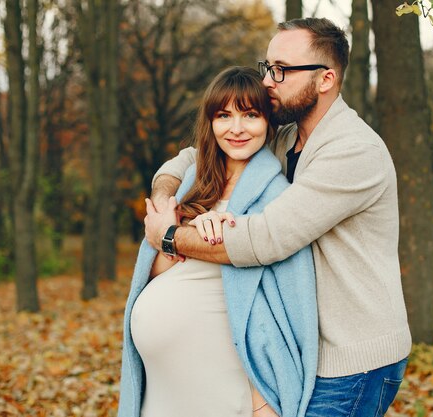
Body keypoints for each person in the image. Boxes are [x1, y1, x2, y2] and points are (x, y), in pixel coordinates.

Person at [144, 17, 412, 417]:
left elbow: (266, 238)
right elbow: (193, 158)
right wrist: (165, 196)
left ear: (325, 80)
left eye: (281, 70)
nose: (268, 81)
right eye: (266, 67)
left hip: (350, 361)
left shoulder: (354, 151)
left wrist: (169, 237)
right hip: (304, 349)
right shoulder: (285, 138)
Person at [118, 66, 318, 417]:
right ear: (210, 123)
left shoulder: (277, 199)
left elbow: (284, 306)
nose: (236, 128)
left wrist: (262, 400)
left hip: (223, 385)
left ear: (268, 122)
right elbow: (157, 269)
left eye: (250, 115)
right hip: (164, 385)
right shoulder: (193, 184)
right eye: (224, 115)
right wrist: (192, 231)